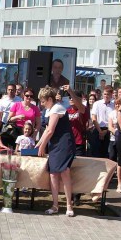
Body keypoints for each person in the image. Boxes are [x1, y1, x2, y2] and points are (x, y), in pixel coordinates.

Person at [35, 87, 76, 216]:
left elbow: (50, 130)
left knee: (64, 172)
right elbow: (46, 131)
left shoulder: (57, 108)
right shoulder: (48, 110)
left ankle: (69, 206)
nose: (41, 104)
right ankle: (55, 205)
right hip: (55, 144)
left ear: (50, 99)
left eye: (43, 101)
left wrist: (42, 147)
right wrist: (38, 144)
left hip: (64, 144)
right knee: (53, 174)